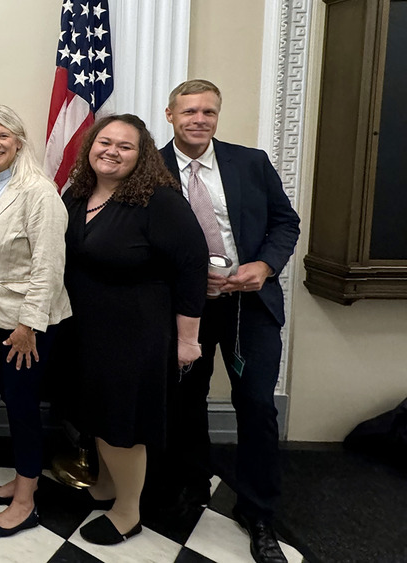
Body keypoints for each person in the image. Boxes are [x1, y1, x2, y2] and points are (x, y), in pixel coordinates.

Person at [160, 79, 300, 563]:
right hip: (184, 310)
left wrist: (264, 266)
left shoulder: (250, 162)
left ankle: (258, 512)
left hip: (249, 307)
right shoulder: (149, 169)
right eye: (190, 111)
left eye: (209, 112)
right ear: (170, 114)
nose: (199, 119)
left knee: (257, 405)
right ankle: (191, 486)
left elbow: (287, 222)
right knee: (184, 402)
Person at [62, 114, 207, 545]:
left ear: (141, 155)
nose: (112, 151)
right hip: (85, 327)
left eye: (125, 146)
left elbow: (192, 267)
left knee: (120, 423)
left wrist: (187, 340)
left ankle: (128, 512)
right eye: (104, 142)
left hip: (135, 330)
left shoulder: (159, 201)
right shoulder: (77, 194)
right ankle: (106, 487)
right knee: (96, 415)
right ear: (90, 146)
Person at [0, 106, 71, 537]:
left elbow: (48, 267)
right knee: (13, 403)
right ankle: (21, 479)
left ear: (19, 141)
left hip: (25, 327)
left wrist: (28, 326)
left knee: (24, 409)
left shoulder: (38, 192)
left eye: (1, 136)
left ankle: (26, 503)